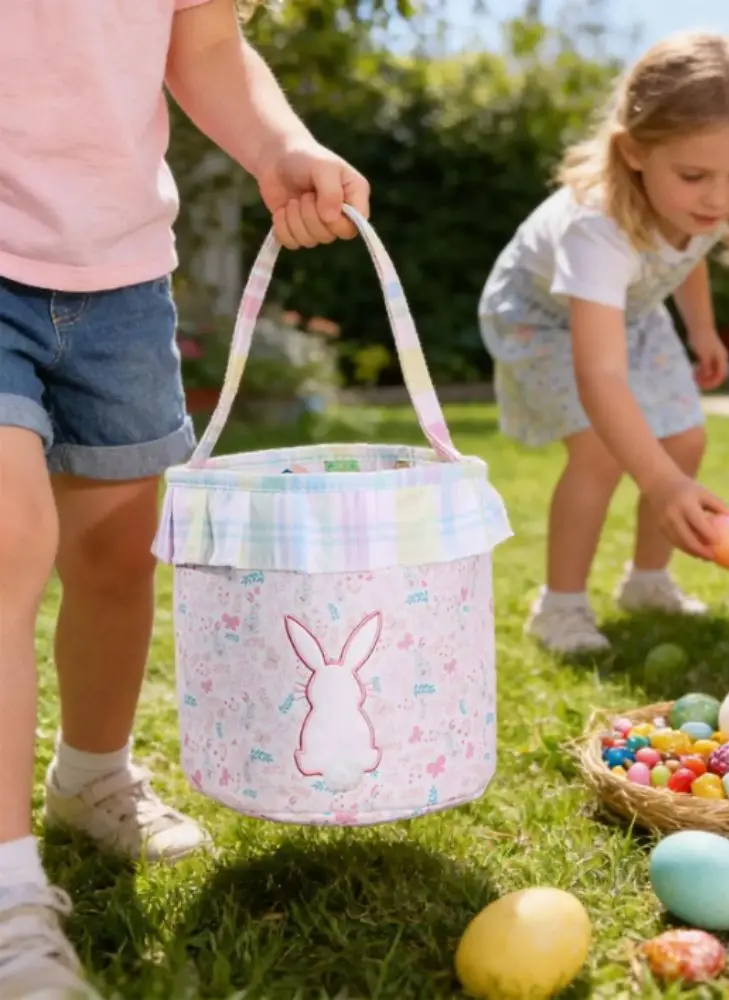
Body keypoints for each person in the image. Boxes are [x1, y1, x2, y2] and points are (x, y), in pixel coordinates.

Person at [0, 2, 371, 996]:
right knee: (6, 540)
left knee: (118, 555)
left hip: (119, 277)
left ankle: (91, 774)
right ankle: (6, 903)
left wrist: (281, 144)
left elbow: (202, 42)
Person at [478, 32, 729, 654]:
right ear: (635, 151)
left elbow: (689, 253)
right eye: (696, 174)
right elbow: (602, 377)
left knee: (685, 438)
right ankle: (559, 607)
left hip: (631, 310)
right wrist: (662, 484)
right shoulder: (598, 229)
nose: (719, 198)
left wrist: (701, 328)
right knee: (600, 451)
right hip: (540, 319)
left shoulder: (698, 204)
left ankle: (647, 582)